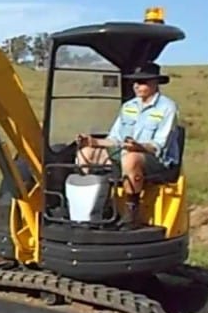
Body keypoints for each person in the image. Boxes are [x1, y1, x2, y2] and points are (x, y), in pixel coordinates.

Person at [75, 62, 181, 228]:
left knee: (131, 158)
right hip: (125, 152)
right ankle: (93, 206)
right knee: (87, 153)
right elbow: (115, 139)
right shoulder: (129, 106)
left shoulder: (167, 108)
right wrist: (93, 142)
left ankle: (132, 213)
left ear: (155, 83)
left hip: (156, 159)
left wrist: (139, 147)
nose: (137, 86)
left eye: (142, 82)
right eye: (135, 82)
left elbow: (159, 145)